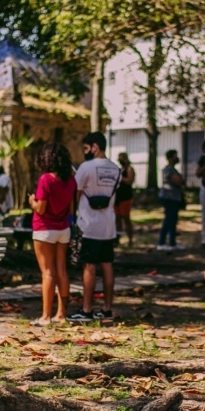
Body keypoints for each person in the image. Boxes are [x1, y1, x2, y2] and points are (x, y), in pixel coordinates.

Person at [69, 133, 120, 323]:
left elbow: (76, 192)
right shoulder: (116, 169)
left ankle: (87, 309)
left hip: (89, 225)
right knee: (107, 265)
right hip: (108, 225)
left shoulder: (86, 167)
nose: (85, 152)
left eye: (85, 148)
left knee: (89, 266)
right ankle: (107, 308)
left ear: (95, 147)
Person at [27, 143, 76, 326]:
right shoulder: (71, 180)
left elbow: (41, 208)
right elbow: (71, 208)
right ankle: (61, 315)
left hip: (44, 229)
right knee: (62, 270)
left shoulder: (46, 179)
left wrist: (32, 201)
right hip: (63, 229)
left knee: (47, 273)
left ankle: (45, 317)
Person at [158, 149, 185, 251]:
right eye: (175, 156)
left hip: (174, 198)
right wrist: (181, 179)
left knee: (173, 220)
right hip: (169, 198)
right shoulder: (169, 170)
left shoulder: (173, 169)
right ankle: (161, 242)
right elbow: (178, 181)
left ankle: (172, 243)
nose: (177, 157)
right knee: (168, 220)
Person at [114, 152, 136, 246]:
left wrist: (120, 178)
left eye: (122, 158)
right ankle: (117, 238)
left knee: (126, 218)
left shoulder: (129, 169)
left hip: (126, 197)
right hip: (117, 197)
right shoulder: (119, 169)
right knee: (117, 219)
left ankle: (130, 239)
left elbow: (129, 181)